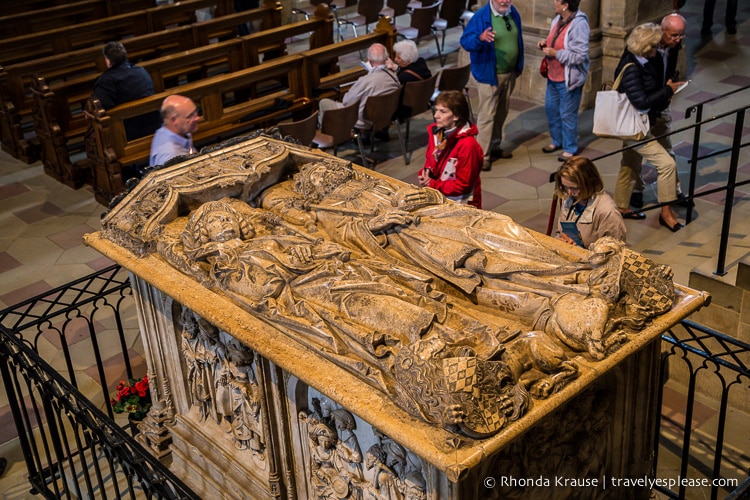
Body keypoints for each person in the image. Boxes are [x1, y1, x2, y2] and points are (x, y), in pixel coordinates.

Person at [613, 23, 685, 232]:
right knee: (666, 164)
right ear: (646, 47)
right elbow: (641, 101)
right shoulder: (632, 67)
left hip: (643, 121)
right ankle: (666, 213)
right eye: (655, 46)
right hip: (633, 127)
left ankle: (622, 207)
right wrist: (667, 90)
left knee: (630, 164)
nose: (658, 50)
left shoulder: (645, 61)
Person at [630, 13, 690, 209]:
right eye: (673, 35)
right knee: (632, 157)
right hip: (641, 111)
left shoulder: (674, 45)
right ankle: (637, 190)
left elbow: (668, 70)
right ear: (662, 32)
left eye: (681, 35)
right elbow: (640, 88)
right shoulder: (644, 47)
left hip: (660, 106)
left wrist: (670, 86)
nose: (677, 40)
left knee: (667, 149)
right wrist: (665, 90)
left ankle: (675, 192)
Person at [460, 0, 524, 171]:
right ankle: (482, 156)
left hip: (508, 73)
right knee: (487, 115)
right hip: (490, 74)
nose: (504, 1)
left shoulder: (512, 12)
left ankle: (494, 146)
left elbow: (518, 38)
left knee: (501, 111)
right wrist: (480, 38)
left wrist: (517, 65)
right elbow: (465, 42)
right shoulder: (481, 16)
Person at [537, 0, 590, 162]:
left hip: (568, 78)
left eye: (557, 0)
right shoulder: (558, 19)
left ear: (566, 5)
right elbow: (556, 40)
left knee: (567, 114)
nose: (554, 2)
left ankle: (569, 148)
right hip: (553, 75)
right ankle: (556, 140)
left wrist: (556, 53)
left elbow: (579, 56)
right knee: (551, 109)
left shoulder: (580, 24)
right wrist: (545, 44)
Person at [417, 90, 483, 208]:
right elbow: (431, 158)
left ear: (456, 116)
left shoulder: (468, 145)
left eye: (443, 112)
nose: (436, 115)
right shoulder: (437, 133)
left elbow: (464, 184)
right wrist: (426, 173)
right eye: (436, 110)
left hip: (460, 203)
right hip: (440, 195)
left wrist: (434, 184)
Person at [317, 43, 400, 131]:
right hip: (386, 116)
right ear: (387, 58)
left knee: (324, 102)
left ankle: (332, 137)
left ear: (369, 60)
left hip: (364, 121)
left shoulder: (365, 81)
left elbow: (346, 101)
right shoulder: (394, 77)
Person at [92, 41, 159, 141]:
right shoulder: (140, 71)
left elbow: (103, 108)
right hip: (155, 123)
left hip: (128, 133)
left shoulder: (106, 81)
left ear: (108, 60)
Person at [554, 156, 626, 248]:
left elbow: (614, 252)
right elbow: (560, 231)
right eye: (565, 187)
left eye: (574, 188)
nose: (569, 192)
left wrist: (579, 250)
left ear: (589, 183)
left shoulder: (607, 212)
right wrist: (561, 240)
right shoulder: (569, 198)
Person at [381, 39, 432, 138]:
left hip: (407, 109)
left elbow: (395, 92)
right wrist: (397, 68)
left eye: (398, 58)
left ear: (408, 60)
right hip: (423, 101)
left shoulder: (404, 78)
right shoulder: (421, 63)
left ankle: (381, 132)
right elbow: (411, 71)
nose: (395, 59)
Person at [149, 94, 200, 166]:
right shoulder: (170, 156)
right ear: (173, 120)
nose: (197, 118)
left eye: (195, 112)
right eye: (190, 116)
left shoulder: (177, 131)